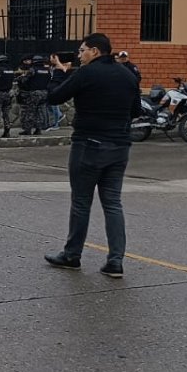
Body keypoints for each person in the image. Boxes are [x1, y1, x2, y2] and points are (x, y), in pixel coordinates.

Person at [44, 33, 141, 279]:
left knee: (81, 202)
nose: (79, 55)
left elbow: (54, 96)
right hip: (120, 146)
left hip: (88, 144)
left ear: (95, 51)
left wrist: (58, 73)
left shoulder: (86, 73)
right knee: (113, 202)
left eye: (82, 51)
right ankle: (115, 261)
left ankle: (72, 255)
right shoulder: (128, 75)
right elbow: (136, 110)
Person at [17, 55, 52, 135]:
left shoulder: (33, 69)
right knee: (40, 111)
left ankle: (28, 130)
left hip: (34, 93)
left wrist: (20, 78)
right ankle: (38, 129)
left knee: (30, 111)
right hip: (44, 93)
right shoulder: (47, 70)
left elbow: (24, 80)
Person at [46, 52, 73, 129]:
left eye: (52, 58)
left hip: (57, 86)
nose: (51, 59)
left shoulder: (64, 65)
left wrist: (57, 61)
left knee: (54, 106)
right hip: (50, 86)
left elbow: (64, 69)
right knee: (48, 104)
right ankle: (60, 115)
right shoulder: (53, 66)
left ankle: (56, 125)